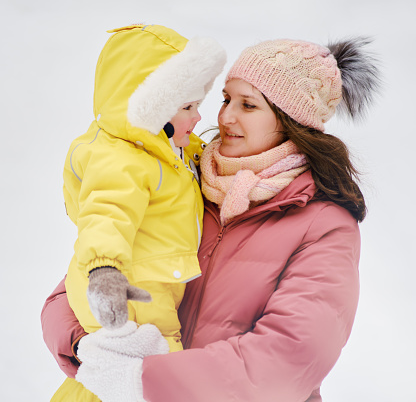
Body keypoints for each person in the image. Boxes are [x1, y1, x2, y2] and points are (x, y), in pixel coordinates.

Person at [41, 35, 380, 402]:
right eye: (225, 99)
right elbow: (76, 285)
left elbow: (288, 357)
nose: (224, 116)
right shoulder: (185, 180)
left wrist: (143, 379)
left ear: (292, 121)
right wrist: (87, 350)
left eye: (248, 105)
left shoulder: (323, 224)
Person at [47, 23, 226, 400]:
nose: (198, 118)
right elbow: (105, 215)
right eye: (188, 107)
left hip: (151, 285)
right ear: (151, 108)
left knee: (128, 377)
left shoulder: (168, 151)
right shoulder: (121, 160)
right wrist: (105, 270)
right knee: (137, 374)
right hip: (127, 292)